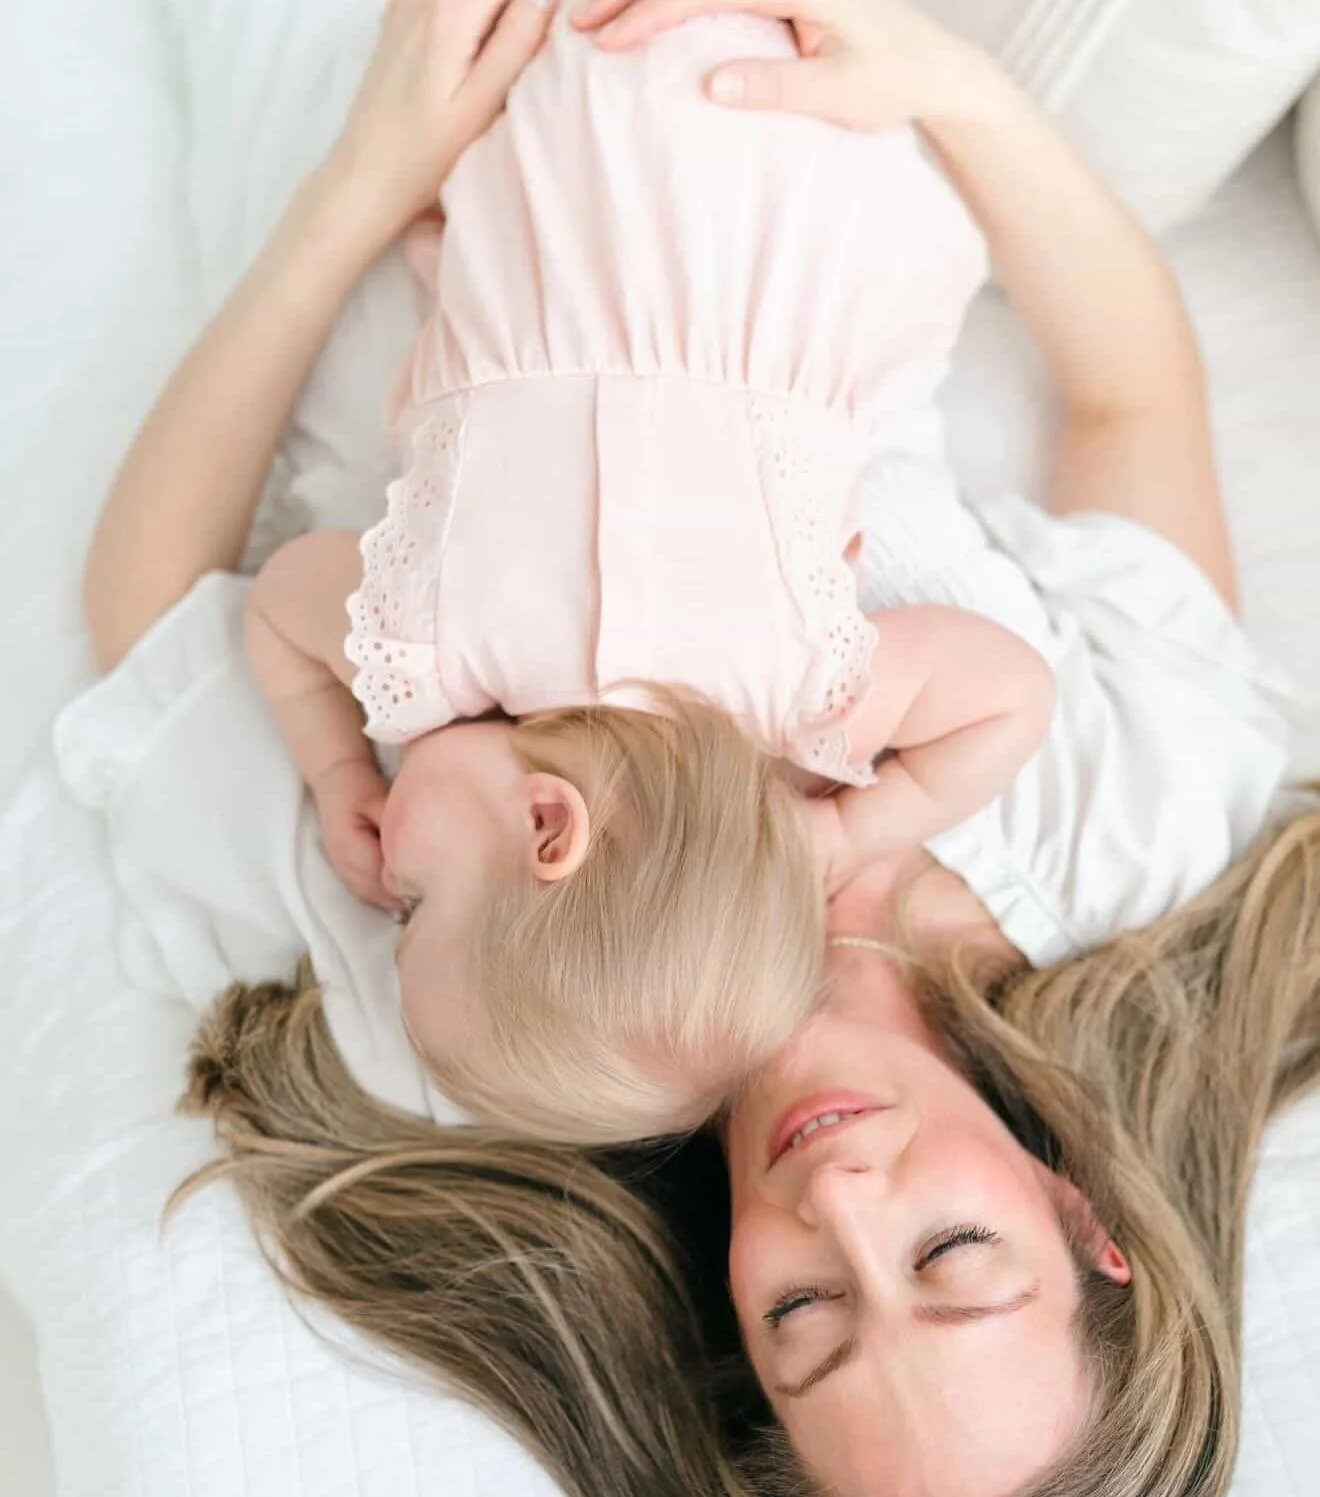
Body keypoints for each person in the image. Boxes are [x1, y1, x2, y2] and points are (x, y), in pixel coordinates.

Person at [88, 0, 1307, 1497]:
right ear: (1083, 1216)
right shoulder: (1129, 816)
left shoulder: (479, 1025)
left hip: (388, 130)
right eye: (954, 1265)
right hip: (788, 154)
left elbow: (145, 616)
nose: (838, 1202)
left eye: (806, 1318)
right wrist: (939, 83)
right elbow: (1128, 394)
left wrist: (368, 174)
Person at [239, 7, 1055, 1142]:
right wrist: (334, 768)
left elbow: (1012, 695)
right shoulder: (418, 653)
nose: (382, 878)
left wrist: (855, 828)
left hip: (787, 173)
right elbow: (279, 601)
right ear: (545, 827)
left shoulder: (787, 693)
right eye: (415, 908)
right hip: (573, 144)